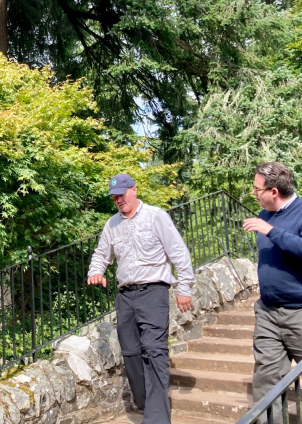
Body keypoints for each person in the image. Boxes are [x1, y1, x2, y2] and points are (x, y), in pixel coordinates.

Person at [86, 173, 195, 424]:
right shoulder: (111, 224)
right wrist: (95, 272)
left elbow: (178, 251)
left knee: (155, 350)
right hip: (125, 296)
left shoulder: (156, 216)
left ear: (134, 190)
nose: (118, 200)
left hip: (153, 292)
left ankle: (156, 418)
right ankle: (147, 403)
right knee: (131, 352)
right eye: (114, 197)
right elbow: (101, 254)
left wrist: (185, 288)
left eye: (121, 195)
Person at [243, 162, 302, 424]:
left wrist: (271, 231)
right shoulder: (264, 215)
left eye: (256, 188)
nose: (254, 193)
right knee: (266, 386)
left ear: (273, 191)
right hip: (268, 313)